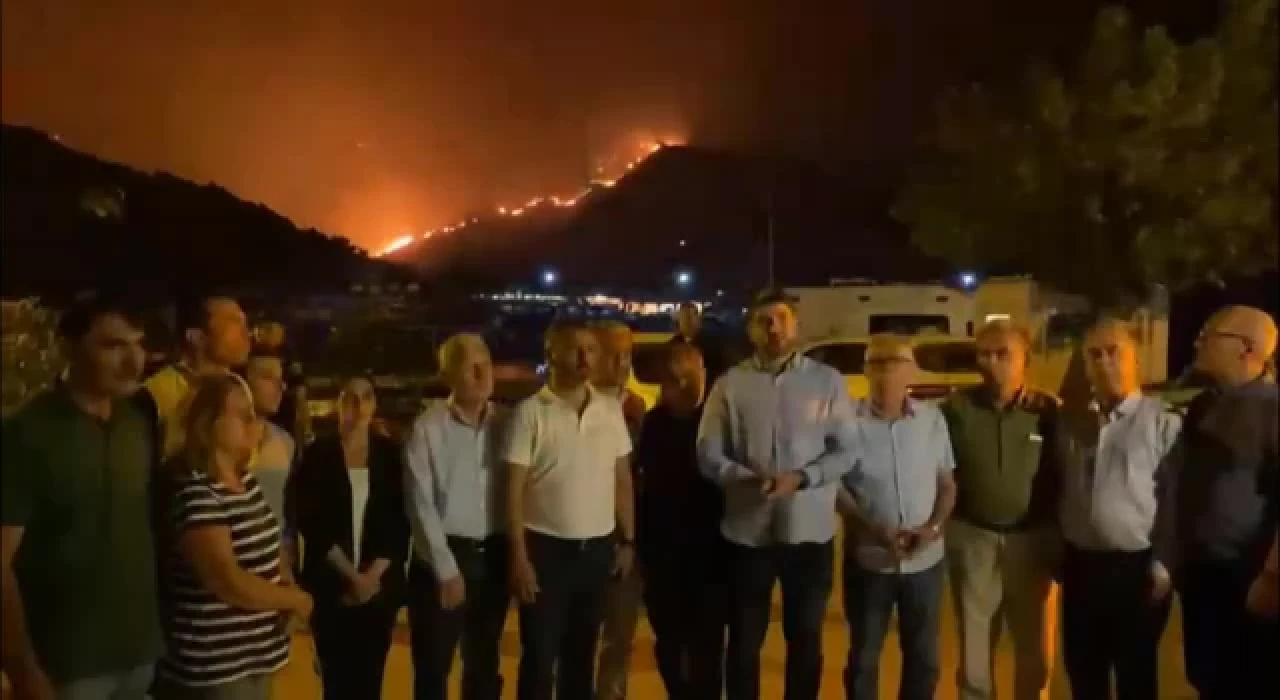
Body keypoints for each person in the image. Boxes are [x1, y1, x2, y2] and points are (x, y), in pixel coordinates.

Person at [696, 289, 859, 700]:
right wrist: (746, 477)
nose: (773, 328)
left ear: (795, 324)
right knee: (745, 642)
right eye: (764, 320)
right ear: (751, 329)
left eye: (781, 318)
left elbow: (847, 450)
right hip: (748, 534)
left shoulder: (827, 382)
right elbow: (708, 452)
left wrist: (802, 478)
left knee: (805, 639)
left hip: (809, 533)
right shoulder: (730, 385)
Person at [1, 293, 164, 700]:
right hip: (66, 665)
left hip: (139, 655)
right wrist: (23, 669)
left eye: (138, 344)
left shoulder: (136, 421)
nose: (134, 361)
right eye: (113, 346)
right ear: (68, 349)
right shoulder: (27, 434)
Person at [153, 374, 311, 700]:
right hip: (216, 668)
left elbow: (269, 541)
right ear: (208, 423)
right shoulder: (196, 492)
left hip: (256, 658)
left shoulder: (244, 481)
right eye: (242, 413)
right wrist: (295, 600)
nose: (254, 422)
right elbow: (227, 580)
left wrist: (286, 582)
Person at [505, 320, 636, 700]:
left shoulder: (610, 411)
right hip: (546, 552)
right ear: (551, 354)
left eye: (591, 350)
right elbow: (513, 489)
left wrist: (627, 540)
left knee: (581, 657)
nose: (584, 358)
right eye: (574, 349)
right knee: (540, 657)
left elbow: (622, 479)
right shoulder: (531, 413)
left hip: (596, 552)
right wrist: (520, 557)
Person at [1153, 305, 1279, 700]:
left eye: (1209, 336)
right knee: (1208, 680)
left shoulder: (1273, 410)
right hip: (1202, 580)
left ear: (1247, 349)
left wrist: (1273, 578)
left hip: (1250, 583)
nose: (1197, 342)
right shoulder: (1205, 405)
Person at [1057, 319, 1181, 700]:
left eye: (1114, 352)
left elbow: (1175, 499)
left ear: (1135, 359)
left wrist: (1163, 564)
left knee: (1135, 676)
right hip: (1080, 567)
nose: (1105, 362)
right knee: (1084, 673)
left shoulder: (1164, 423)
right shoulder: (1072, 422)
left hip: (1136, 570)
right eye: (1094, 354)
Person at [940, 319, 1061, 700]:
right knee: (974, 652)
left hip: (1032, 542)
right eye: (984, 354)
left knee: (1033, 652)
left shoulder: (1048, 412)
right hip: (974, 539)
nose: (991, 362)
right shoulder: (955, 410)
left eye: (1003, 354)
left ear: (1026, 359)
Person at [837, 334, 956, 700]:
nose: (887, 369)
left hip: (925, 563)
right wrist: (872, 528)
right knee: (864, 660)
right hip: (870, 562)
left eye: (896, 361)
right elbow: (836, 487)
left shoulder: (931, 420)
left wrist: (932, 528)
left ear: (910, 370)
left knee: (924, 660)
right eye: (877, 361)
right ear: (865, 370)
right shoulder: (846, 424)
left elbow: (947, 483)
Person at [404, 334, 511, 700]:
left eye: (487, 361)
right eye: (471, 365)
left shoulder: (508, 424)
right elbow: (420, 503)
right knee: (434, 670)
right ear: (449, 376)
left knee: (484, 667)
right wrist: (446, 569)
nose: (483, 372)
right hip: (443, 559)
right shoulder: (428, 428)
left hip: (494, 557)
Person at [292, 377, 409, 699]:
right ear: (338, 405)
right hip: (333, 588)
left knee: (370, 683)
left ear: (374, 404)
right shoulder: (319, 454)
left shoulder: (389, 455)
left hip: (379, 590)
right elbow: (311, 521)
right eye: (350, 398)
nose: (358, 406)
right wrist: (350, 576)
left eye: (366, 397)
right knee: (337, 684)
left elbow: (399, 521)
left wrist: (371, 577)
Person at [635, 341, 727, 700]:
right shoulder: (655, 424)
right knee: (669, 641)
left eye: (693, 376)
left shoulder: (718, 422)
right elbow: (642, 485)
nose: (686, 386)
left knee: (708, 645)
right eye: (676, 379)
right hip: (664, 553)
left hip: (712, 553)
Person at [590, 321, 646, 700]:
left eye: (627, 353)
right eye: (613, 353)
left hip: (626, 540)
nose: (622, 361)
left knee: (619, 639)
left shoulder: (637, 409)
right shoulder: (570, 407)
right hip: (580, 538)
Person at [139, 294, 251, 459]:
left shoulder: (239, 386)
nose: (246, 333)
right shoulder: (157, 392)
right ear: (196, 336)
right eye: (233, 321)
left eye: (245, 323)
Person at [241, 351, 298, 576]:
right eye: (267, 377)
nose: (280, 386)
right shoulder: (222, 440)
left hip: (275, 562)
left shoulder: (285, 442)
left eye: (281, 379)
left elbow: (288, 508)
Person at [672, 302, 731, 383]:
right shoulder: (673, 345)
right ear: (678, 321)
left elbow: (722, 372)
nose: (687, 321)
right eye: (684, 317)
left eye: (691, 317)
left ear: (699, 320)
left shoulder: (713, 344)